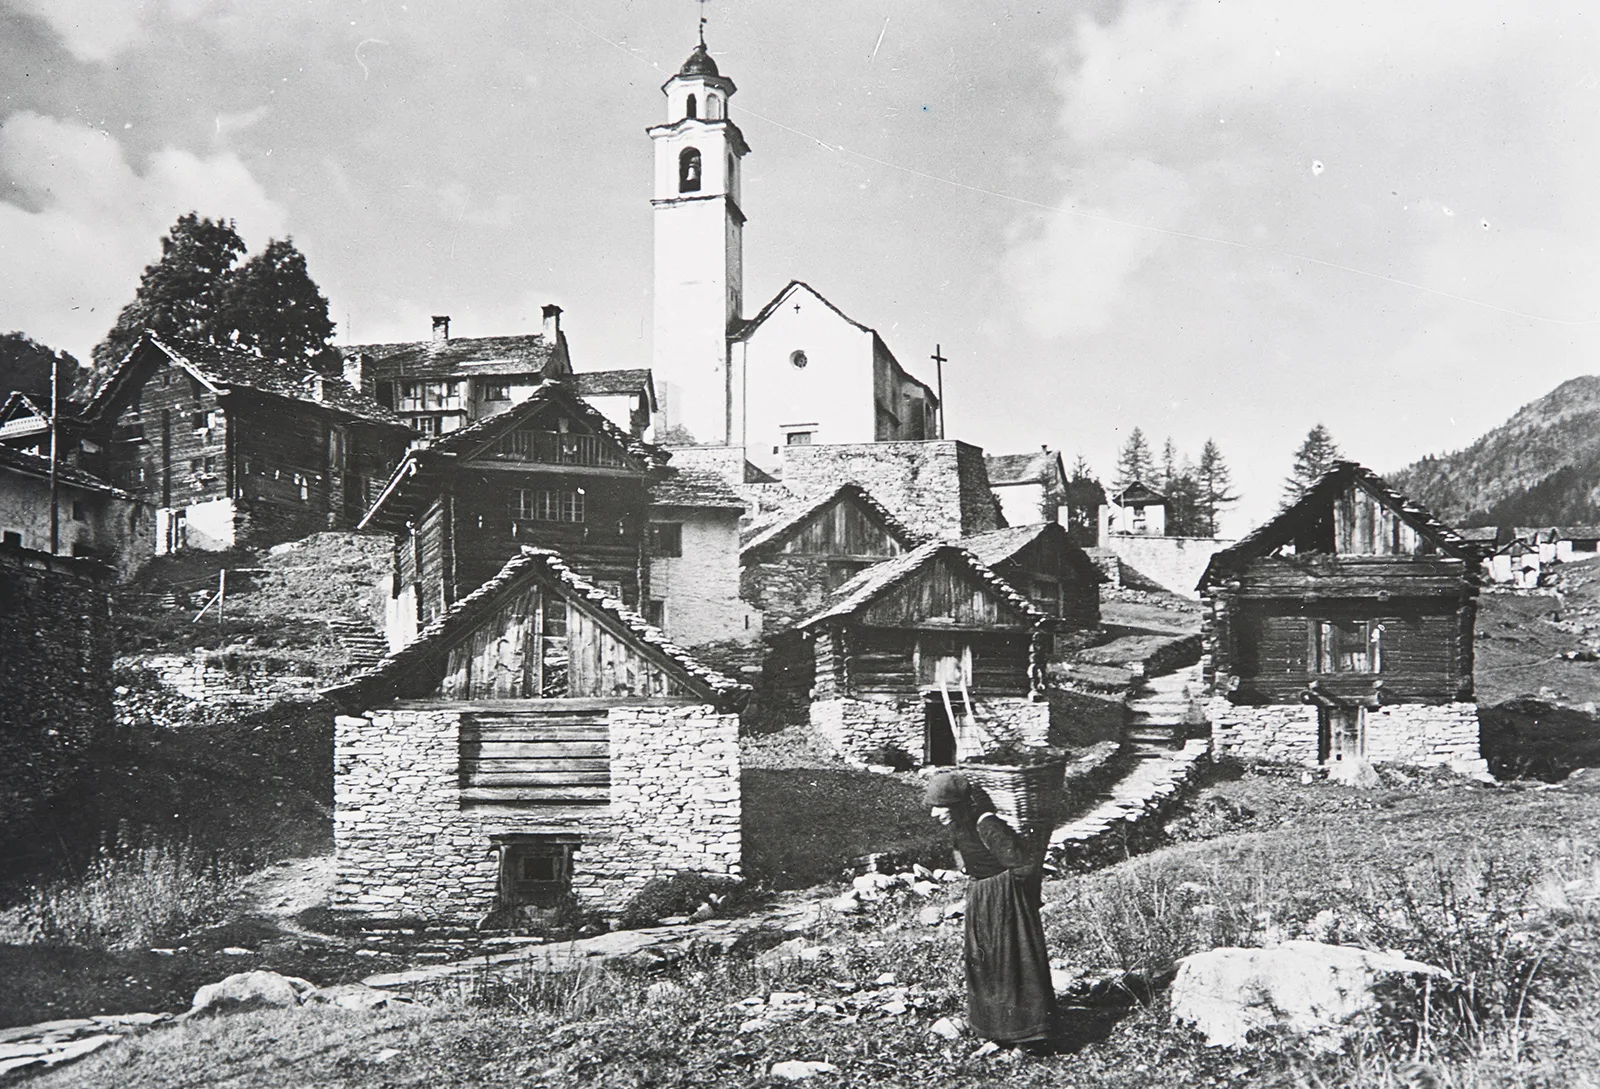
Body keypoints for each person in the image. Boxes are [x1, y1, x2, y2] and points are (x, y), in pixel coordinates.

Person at [924, 769, 1054, 1048]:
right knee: (986, 962)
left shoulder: (988, 824)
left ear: (957, 806)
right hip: (982, 897)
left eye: (940, 808)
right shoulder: (961, 827)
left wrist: (1012, 899)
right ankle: (995, 1026)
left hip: (1004, 899)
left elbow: (1023, 864)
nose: (935, 815)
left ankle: (1028, 1032)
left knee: (1012, 960)